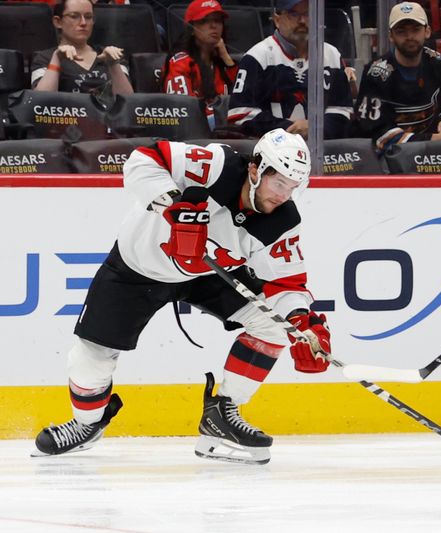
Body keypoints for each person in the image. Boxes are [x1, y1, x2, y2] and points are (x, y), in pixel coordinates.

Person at [32, 129, 332, 465]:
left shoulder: (283, 221)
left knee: (272, 326)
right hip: (136, 269)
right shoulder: (216, 165)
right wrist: (172, 204)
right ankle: (87, 424)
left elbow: (288, 283)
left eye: (294, 187)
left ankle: (221, 416)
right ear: (256, 169)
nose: (285, 194)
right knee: (91, 357)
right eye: (280, 183)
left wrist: (303, 325)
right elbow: (142, 160)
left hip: (208, 273)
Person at [227, 0, 352, 140]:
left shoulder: (332, 55)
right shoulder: (256, 57)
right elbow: (239, 114)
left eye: (308, 13)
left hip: (323, 151)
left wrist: (316, 128)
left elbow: (343, 111)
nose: (302, 20)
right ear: (277, 20)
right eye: (293, 13)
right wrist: (288, 129)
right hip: (271, 151)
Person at [355, 2, 441, 152]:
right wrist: (434, 139)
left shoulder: (438, 63)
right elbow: (378, 135)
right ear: (391, 36)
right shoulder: (376, 74)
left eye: (416, 29)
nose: (410, 36)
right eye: (401, 31)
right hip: (387, 162)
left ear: (427, 31)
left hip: (431, 156)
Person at [31, 0, 133, 95]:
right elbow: (42, 102)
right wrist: (56, 60)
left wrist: (113, 64)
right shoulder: (44, 58)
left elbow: (127, 103)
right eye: (74, 16)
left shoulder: (111, 55)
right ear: (58, 22)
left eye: (88, 17)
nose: (83, 23)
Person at [162, 0, 238, 125]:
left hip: (227, 131)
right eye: (204, 21)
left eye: (218, 21)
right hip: (191, 134)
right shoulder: (180, 63)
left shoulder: (224, 63)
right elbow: (184, 110)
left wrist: (226, 58)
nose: (213, 26)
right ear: (191, 29)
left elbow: (244, 100)